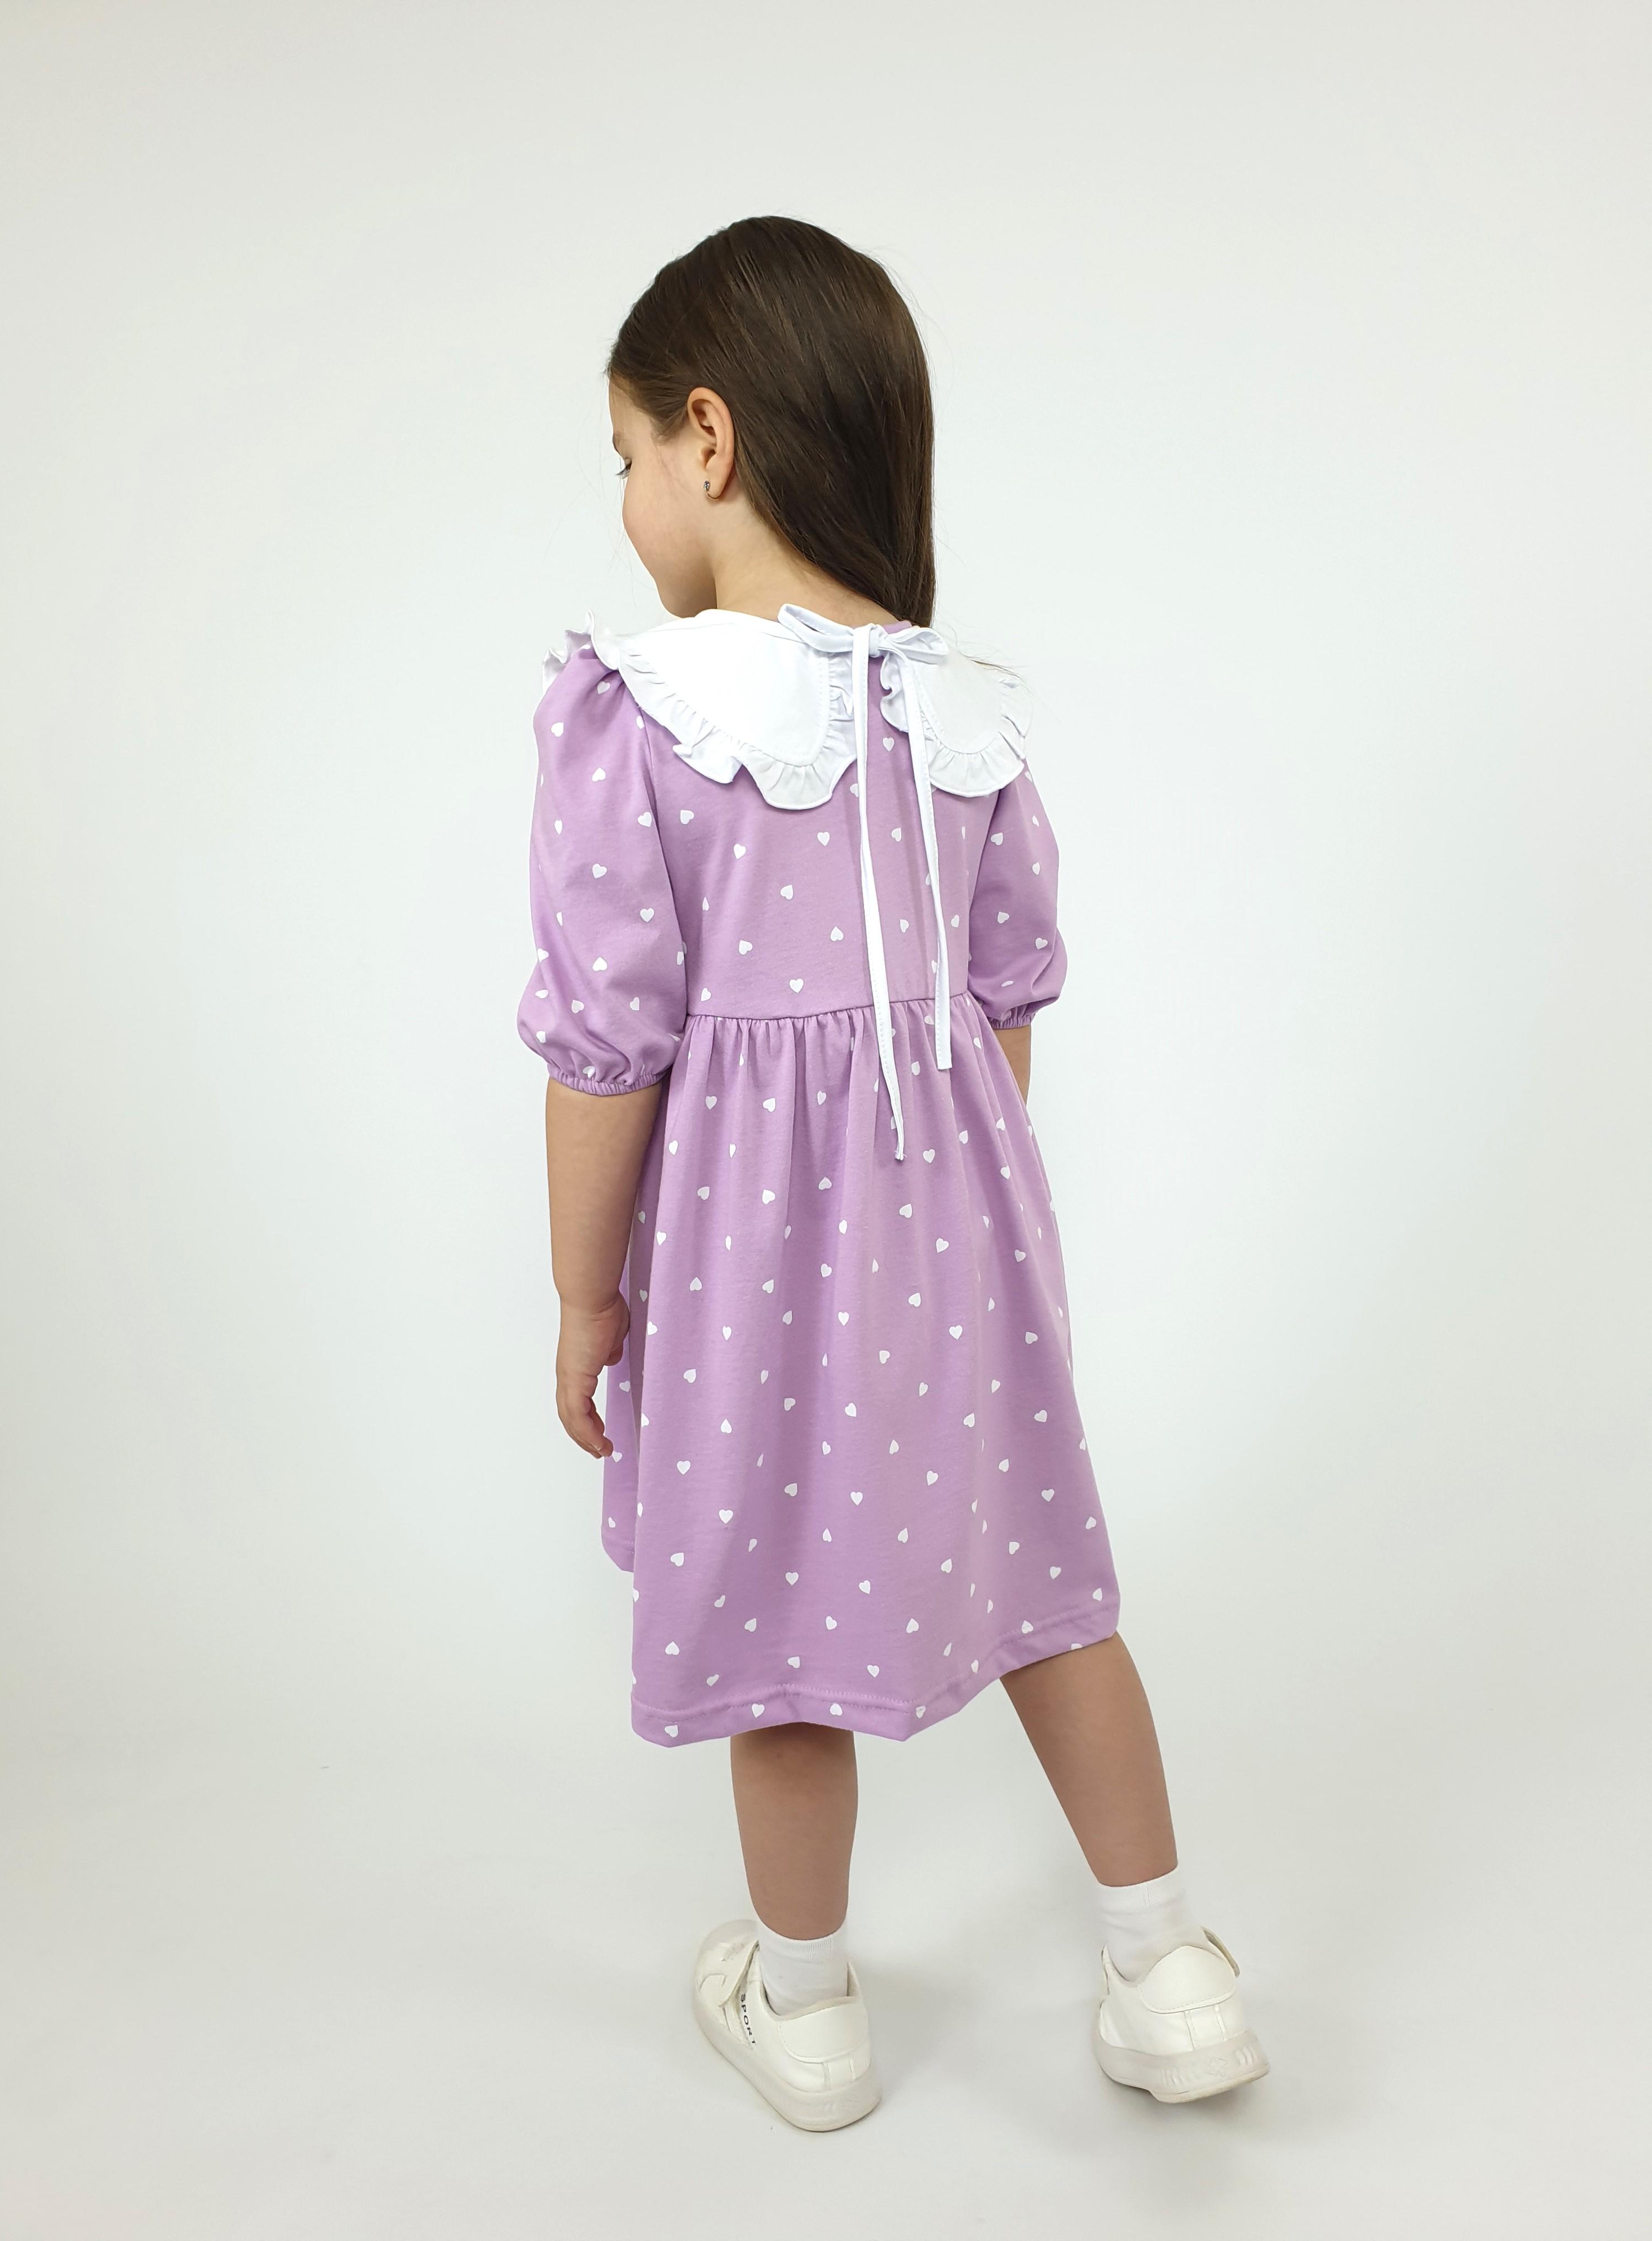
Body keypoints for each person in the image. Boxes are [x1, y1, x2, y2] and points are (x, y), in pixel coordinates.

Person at [518, 216, 1268, 2129]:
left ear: (707, 437)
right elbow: (1004, 1011)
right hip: (966, 1240)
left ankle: (809, 2007)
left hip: (748, 1265)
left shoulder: (642, 710)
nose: (624, 497)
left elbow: (606, 1051)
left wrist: (587, 1294)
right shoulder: (965, 713)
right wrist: (945, 1214)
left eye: (624, 453)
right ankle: (1170, 1969)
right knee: (1052, 1588)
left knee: (776, 1621)